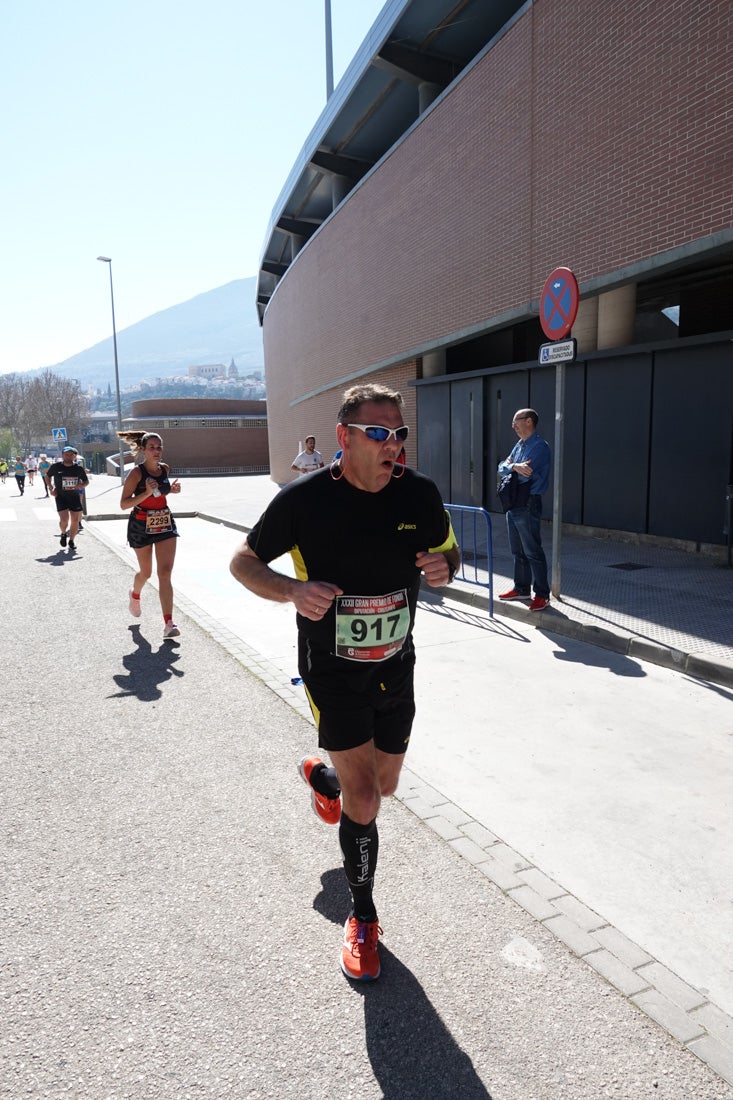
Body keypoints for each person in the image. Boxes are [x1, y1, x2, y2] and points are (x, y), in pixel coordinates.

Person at [230, 383, 460, 982]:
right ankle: (364, 918)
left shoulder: (420, 494)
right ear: (344, 437)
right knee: (366, 803)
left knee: (382, 787)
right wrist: (293, 591)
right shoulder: (304, 501)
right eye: (379, 433)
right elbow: (242, 562)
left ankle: (326, 778)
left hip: (395, 666)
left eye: (399, 433)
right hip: (332, 672)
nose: (393, 445)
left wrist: (445, 567)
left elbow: (448, 551)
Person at [118, 430, 182, 639]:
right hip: (141, 524)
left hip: (163, 522)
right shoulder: (136, 474)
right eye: (152, 447)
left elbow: (160, 493)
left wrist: (171, 491)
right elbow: (123, 504)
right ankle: (135, 594)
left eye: (159, 447)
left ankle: (168, 624)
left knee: (165, 573)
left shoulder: (165, 469)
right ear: (143, 450)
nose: (156, 451)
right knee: (146, 573)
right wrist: (145, 493)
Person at [497, 407, 551, 611]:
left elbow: (524, 475)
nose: (513, 425)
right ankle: (521, 589)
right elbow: (501, 468)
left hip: (528, 502)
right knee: (517, 550)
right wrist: (513, 466)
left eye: (516, 420)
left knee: (533, 551)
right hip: (513, 502)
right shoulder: (519, 445)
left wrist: (513, 468)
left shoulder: (539, 446)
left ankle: (542, 595)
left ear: (529, 421)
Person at [46, 446, 89, 550]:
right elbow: (47, 476)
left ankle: (72, 540)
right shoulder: (56, 467)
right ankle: (64, 533)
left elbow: (86, 481)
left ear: (74, 456)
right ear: (62, 455)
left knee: (75, 520)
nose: (69, 456)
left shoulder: (78, 469)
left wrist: (82, 485)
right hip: (61, 497)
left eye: (71, 454)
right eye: (66, 454)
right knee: (64, 520)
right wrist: (51, 488)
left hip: (74, 497)